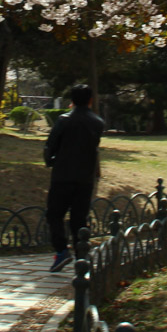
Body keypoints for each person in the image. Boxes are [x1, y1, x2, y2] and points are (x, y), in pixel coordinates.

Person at [43, 84, 105, 272]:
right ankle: (82, 256)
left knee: (54, 214)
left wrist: (51, 161)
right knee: (79, 218)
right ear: (90, 100)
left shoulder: (63, 120)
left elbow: (49, 147)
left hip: (62, 176)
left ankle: (61, 251)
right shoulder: (98, 122)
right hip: (85, 178)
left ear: (72, 99)